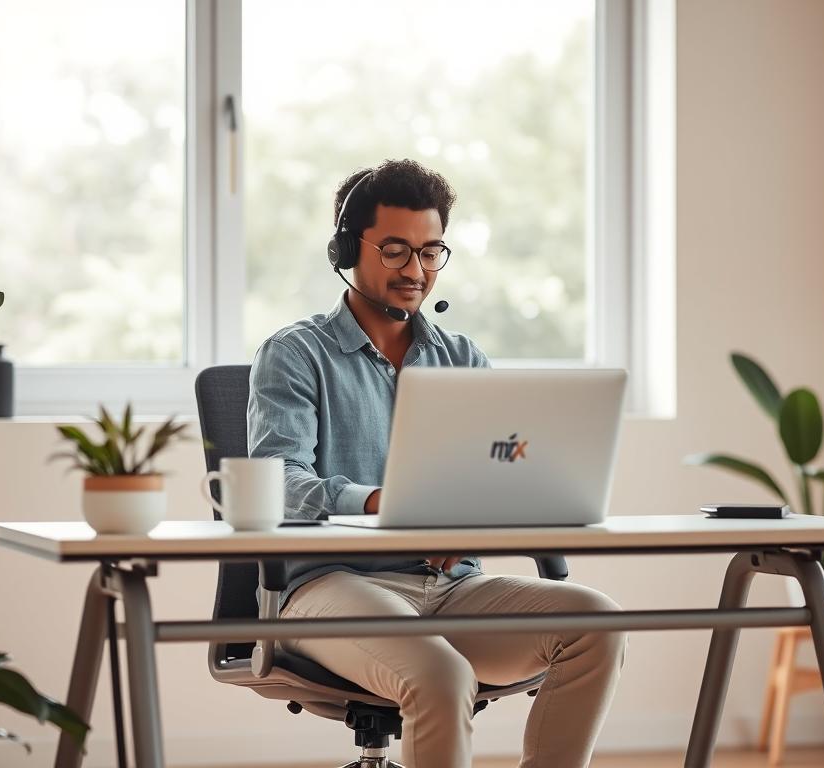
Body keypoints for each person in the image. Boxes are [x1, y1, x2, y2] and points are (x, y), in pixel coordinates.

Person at [248, 158, 625, 768]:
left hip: (451, 586)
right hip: (332, 586)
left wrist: (477, 517)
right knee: (441, 674)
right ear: (348, 248)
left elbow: (493, 473)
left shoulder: (461, 356)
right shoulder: (296, 353)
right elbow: (276, 482)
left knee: (596, 625)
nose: (416, 270)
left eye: (430, 252)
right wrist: (379, 501)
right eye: (395, 251)